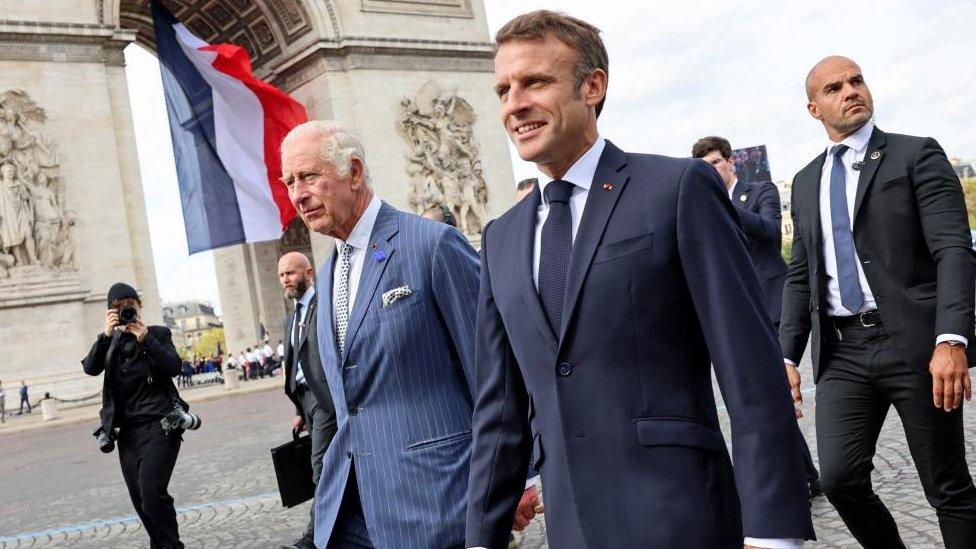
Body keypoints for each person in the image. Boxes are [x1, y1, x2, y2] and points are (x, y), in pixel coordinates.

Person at [465, 11, 814, 549]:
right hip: (574, 530)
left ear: (593, 85)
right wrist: (480, 538)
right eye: (504, 89)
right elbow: (499, 411)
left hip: (684, 518)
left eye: (535, 81)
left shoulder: (676, 189)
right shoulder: (501, 239)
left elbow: (750, 369)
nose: (514, 104)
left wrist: (771, 532)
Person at [281, 119, 536, 548]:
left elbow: (496, 370)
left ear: (355, 172)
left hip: (437, 501)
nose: (298, 194)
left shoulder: (432, 245)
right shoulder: (325, 277)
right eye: (290, 181)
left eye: (309, 176)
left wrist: (519, 476)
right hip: (351, 508)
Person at [780, 55, 976, 549]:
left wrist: (951, 338)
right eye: (834, 88)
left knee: (947, 486)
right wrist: (786, 355)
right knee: (840, 480)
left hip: (914, 345)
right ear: (813, 109)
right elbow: (800, 276)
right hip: (843, 353)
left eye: (856, 80)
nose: (850, 91)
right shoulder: (805, 182)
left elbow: (953, 250)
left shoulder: (915, 155)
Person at [692, 136, 822, 498]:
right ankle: (805, 475)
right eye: (705, 168)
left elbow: (768, 230)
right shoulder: (701, 206)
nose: (714, 171)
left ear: (731, 162)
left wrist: (722, 206)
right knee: (765, 395)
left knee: (775, 390)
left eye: (717, 163)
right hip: (737, 313)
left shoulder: (759, 191)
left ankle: (800, 477)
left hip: (772, 304)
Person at [81, 282, 185, 548]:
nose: (126, 312)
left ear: (139, 307)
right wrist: (105, 335)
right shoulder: (111, 342)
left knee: (152, 494)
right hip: (128, 434)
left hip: (161, 425)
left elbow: (174, 367)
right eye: (119, 308)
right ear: (110, 313)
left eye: (131, 306)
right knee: (140, 500)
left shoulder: (158, 334)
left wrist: (146, 339)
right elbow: (90, 368)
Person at [278, 251, 338, 549]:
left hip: (326, 398)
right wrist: (299, 409)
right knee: (329, 464)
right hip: (307, 400)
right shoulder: (291, 318)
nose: (285, 279)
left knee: (320, 466)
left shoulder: (323, 305)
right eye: (281, 275)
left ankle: (315, 538)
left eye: (290, 273)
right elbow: (296, 365)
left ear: (308, 273)